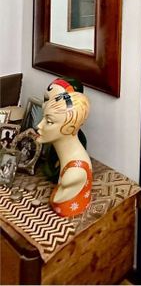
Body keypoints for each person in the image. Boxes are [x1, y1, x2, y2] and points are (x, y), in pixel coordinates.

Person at [37, 89, 91, 218]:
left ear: (69, 129)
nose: (39, 125)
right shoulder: (65, 161)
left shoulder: (74, 174)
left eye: (49, 121)